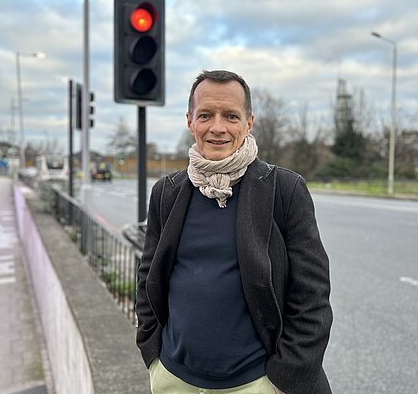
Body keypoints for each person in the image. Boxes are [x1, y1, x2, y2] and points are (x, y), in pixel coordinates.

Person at [136, 70, 333, 394]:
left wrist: (284, 379)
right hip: (174, 379)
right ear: (190, 121)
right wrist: (152, 355)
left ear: (248, 122)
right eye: (205, 115)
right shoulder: (167, 192)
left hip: (256, 384)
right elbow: (148, 278)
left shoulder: (284, 190)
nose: (217, 127)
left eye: (230, 115)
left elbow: (312, 295)